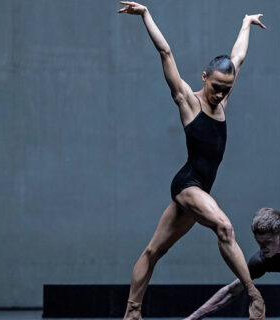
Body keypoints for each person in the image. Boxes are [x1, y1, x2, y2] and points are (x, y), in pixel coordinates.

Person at [116, 2, 267, 319]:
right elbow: (166, 53)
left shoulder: (223, 96)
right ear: (204, 77)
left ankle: (131, 311)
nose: (220, 95)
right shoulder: (188, 100)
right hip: (187, 185)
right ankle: (254, 296)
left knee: (154, 250)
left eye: (227, 89)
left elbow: (237, 56)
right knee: (224, 228)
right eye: (215, 87)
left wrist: (245, 23)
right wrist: (145, 15)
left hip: (199, 190)